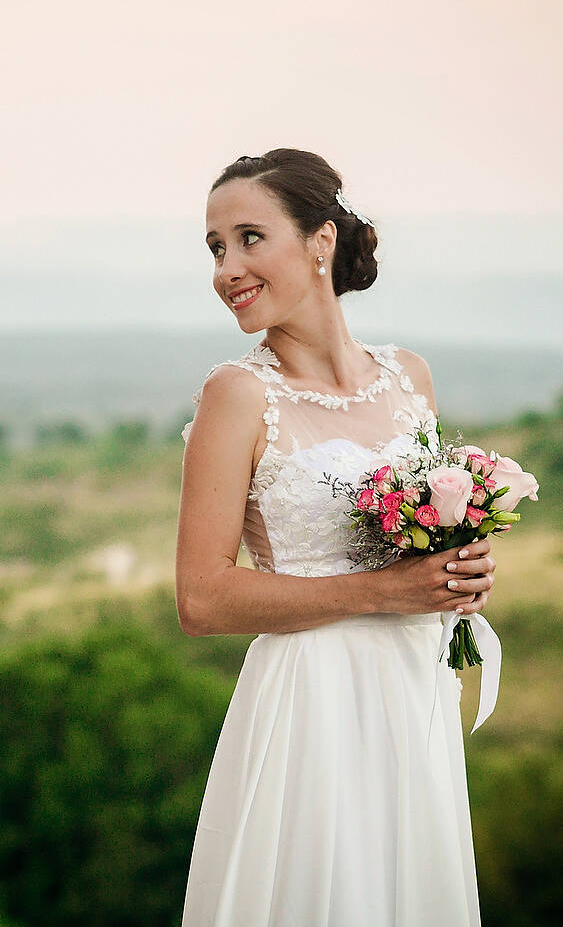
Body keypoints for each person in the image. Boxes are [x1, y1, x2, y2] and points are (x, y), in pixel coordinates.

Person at [176, 148, 494, 926]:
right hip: (310, 703)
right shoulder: (237, 394)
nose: (227, 267)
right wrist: (385, 592)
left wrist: (462, 569)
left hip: (412, 693)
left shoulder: (409, 377)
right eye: (216, 248)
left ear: (320, 242)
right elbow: (202, 598)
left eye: (250, 238)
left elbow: (421, 542)